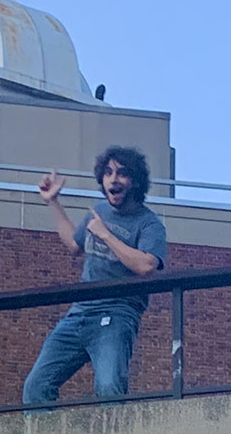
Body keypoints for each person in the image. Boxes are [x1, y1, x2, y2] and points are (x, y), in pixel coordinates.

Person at [22, 146, 167, 405]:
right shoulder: (97, 211)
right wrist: (53, 202)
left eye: (122, 173)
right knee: (36, 386)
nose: (114, 179)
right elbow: (74, 244)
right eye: (108, 173)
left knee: (109, 387)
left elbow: (147, 266)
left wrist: (105, 235)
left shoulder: (148, 223)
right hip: (80, 311)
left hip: (117, 313)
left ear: (134, 181)